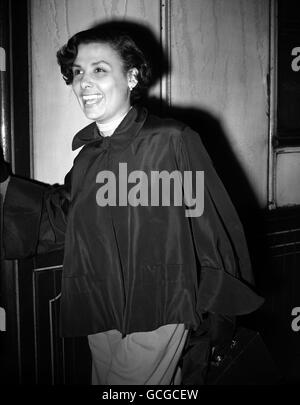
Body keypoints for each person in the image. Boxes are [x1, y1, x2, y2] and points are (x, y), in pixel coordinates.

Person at [0, 22, 264, 385]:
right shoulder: (88, 157)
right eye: (77, 72)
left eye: (99, 70)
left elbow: (210, 224)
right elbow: (65, 218)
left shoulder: (171, 140)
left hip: (160, 303)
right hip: (100, 299)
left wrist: (215, 309)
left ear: (132, 77)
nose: (83, 82)